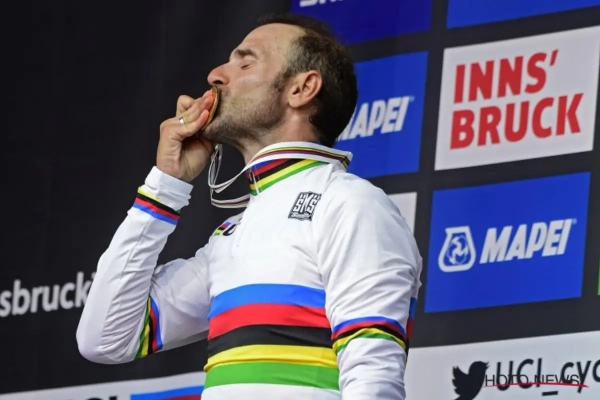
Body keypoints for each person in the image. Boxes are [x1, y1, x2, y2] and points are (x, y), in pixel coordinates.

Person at [76, 12, 423, 400]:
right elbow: (105, 338)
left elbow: (374, 380)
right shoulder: (231, 236)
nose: (216, 75)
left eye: (245, 62)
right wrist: (166, 185)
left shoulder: (349, 203)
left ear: (302, 89)